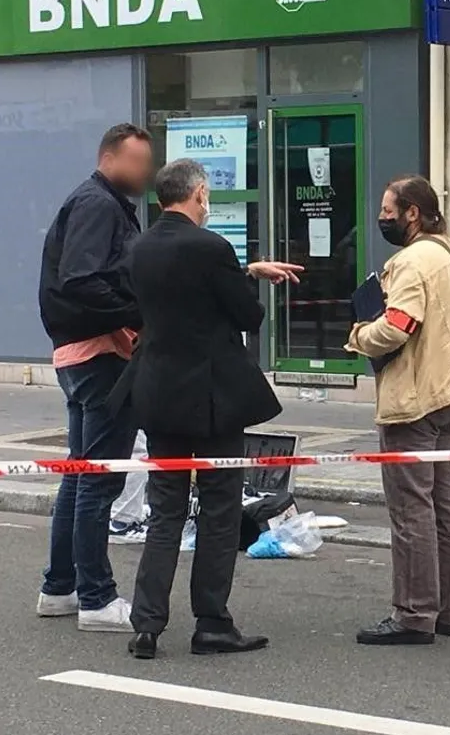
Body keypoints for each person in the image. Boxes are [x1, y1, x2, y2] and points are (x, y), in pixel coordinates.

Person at [118, 158, 302, 660]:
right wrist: (244, 281)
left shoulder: (140, 247)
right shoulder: (211, 246)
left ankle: (147, 624)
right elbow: (248, 314)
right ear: (199, 194)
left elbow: (166, 295)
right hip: (213, 397)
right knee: (220, 508)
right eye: (207, 195)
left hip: (158, 394)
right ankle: (212, 622)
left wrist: (243, 269)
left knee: (166, 511)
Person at [345, 175, 450, 646]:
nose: (381, 218)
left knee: (410, 510)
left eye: (387, 210)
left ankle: (414, 614)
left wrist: (359, 334)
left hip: (411, 402)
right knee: (446, 504)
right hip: (447, 396)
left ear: (412, 214)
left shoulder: (409, 262)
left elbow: (397, 327)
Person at [36, 123, 153, 632]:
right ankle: (97, 599)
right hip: (100, 355)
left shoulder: (101, 203)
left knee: (80, 475)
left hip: (80, 353)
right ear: (111, 158)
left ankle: (59, 588)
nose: (147, 173)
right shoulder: (98, 205)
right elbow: (81, 279)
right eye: (140, 162)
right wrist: (137, 316)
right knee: (97, 481)